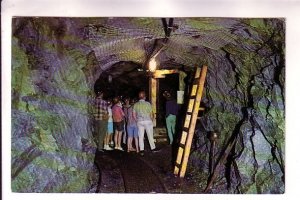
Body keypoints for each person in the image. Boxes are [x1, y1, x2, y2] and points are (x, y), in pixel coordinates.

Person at [133, 91, 158, 156]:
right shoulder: (148, 104)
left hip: (140, 121)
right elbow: (151, 113)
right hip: (148, 121)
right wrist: (152, 120)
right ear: (144, 97)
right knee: (150, 135)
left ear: (139, 97)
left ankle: (142, 150)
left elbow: (134, 114)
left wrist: (137, 120)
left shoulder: (136, 104)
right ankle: (153, 148)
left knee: (141, 136)